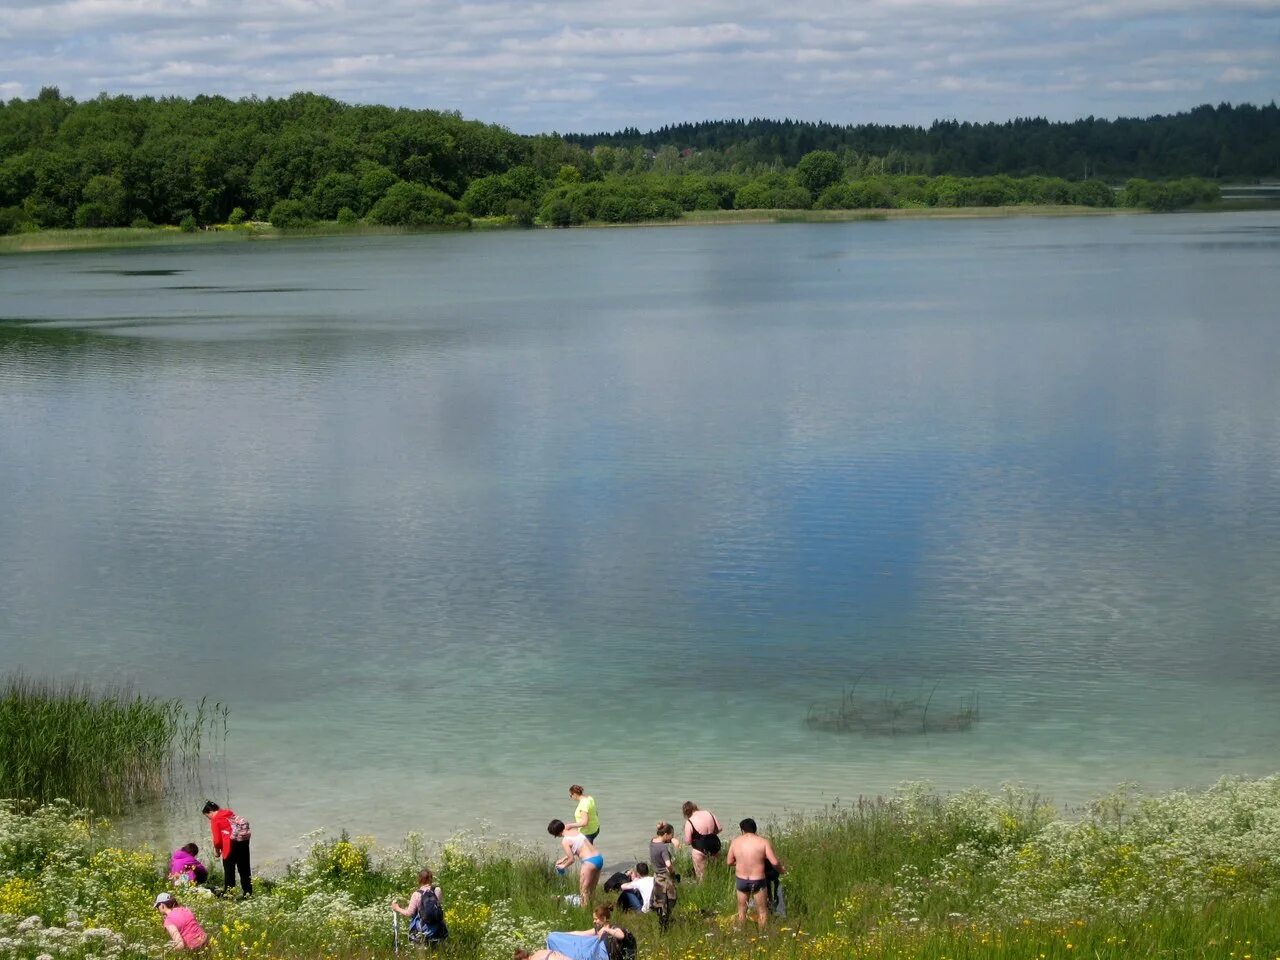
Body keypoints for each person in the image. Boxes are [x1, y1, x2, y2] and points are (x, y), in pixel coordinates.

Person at [725, 818, 783, 931]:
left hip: (741, 880)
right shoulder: (763, 842)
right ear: (755, 829)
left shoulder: (735, 842)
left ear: (742, 830)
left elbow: (729, 862)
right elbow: (774, 862)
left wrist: (741, 862)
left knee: (741, 911)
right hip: (758, 880)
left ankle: (741, 933)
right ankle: (762, 935)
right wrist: (781, 870)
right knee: (762, 911)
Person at [202, 800, 251, 896]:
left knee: (229, 871)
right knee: (244, 869)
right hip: (243, 842)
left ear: (210, 812)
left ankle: (229, 894)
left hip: (230, 845)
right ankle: (248, 892)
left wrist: (217, 851)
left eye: (207, 816)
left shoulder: (215, 819)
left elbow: (217, 841)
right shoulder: (229, 813)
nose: (209, 818)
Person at [549, 818, 604, 905]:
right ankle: (592, 908)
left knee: (584, 891)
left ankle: (584, 914)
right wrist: (564, 859)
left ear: (556, 833)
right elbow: (577, 847)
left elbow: (572, 860)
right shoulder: (573, 830)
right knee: (592, 890)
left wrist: (563, 866)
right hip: (598, 858)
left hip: (589, 862)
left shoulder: (565, 841)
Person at [391, 868, 448, 946]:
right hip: (438, 930)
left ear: (419, 879)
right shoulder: (437, 890)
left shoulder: (416, 894)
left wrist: (397, 908)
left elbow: (409, 913)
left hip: (423, 931)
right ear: (431, 878)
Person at [681, 801, 722, 880]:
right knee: (716, 873)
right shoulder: (709, 813)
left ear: (685, 813)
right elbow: (719, 829)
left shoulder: (689, 821)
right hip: (715, 844)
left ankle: (703, 888)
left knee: (702, 877)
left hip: (700, 848)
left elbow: (688, 841)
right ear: (695, 807)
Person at [648, 822, 678, 930]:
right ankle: (666, 922)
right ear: (666, 834)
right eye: (671, 835)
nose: (672, 837)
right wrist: (673, 872)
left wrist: (670, 841)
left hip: (657, 877)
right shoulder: (663, 848)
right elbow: (668, 864)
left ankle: (662, 920)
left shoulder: (652, 842)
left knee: (659, 901)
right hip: (665, 878)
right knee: (671, 899)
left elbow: (658, 837)